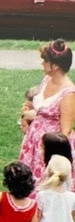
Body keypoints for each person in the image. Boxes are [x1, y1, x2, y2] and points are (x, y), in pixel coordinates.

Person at [19, 39, 75, 184]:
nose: (42, 63)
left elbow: (65, 132)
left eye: (45, 60)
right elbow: (41, 110)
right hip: (33, 142)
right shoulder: (46, 80)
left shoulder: (69, 93)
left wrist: (51, 158)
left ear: (55, 66)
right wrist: (27, 114)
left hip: (48, 148)